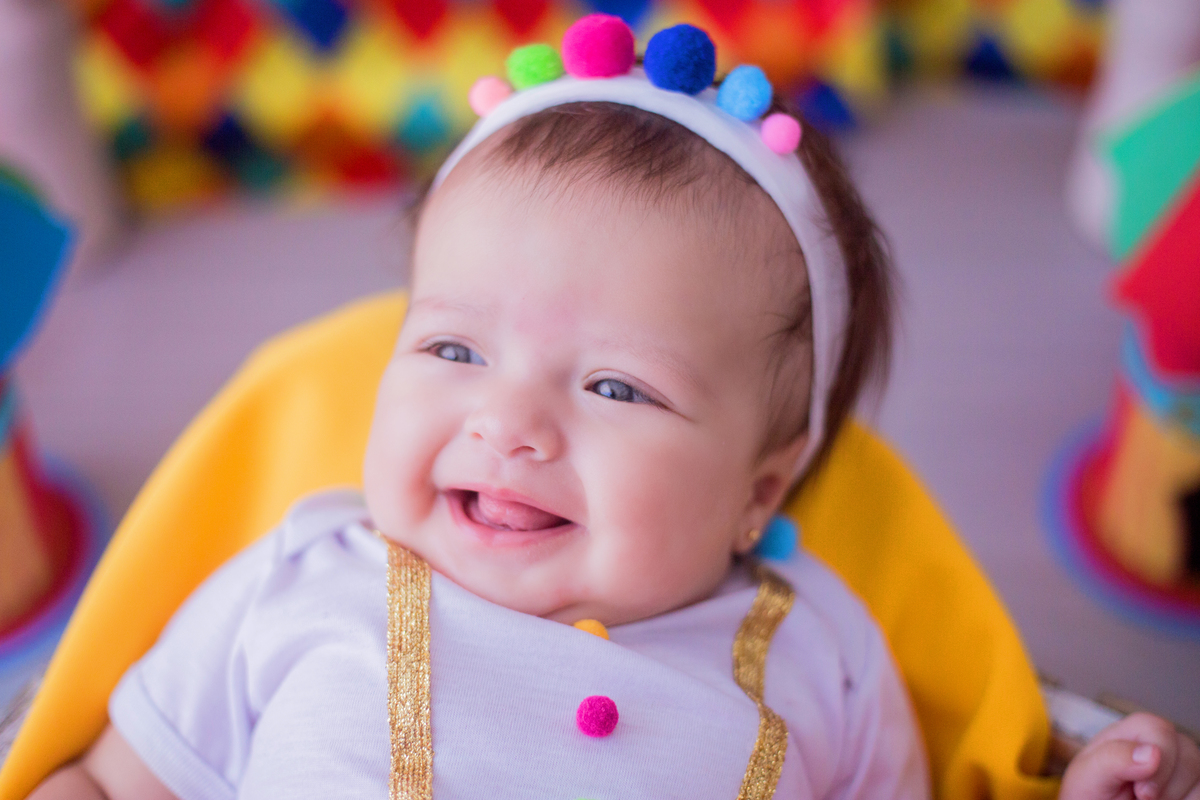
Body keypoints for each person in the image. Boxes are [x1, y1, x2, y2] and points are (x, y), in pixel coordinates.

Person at [30, 15, 1200, 800]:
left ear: (760, 488)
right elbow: (107, 776)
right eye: (451, 345)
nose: (512, 421)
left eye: (614, 385)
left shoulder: (819, 650)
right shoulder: (305, 577)